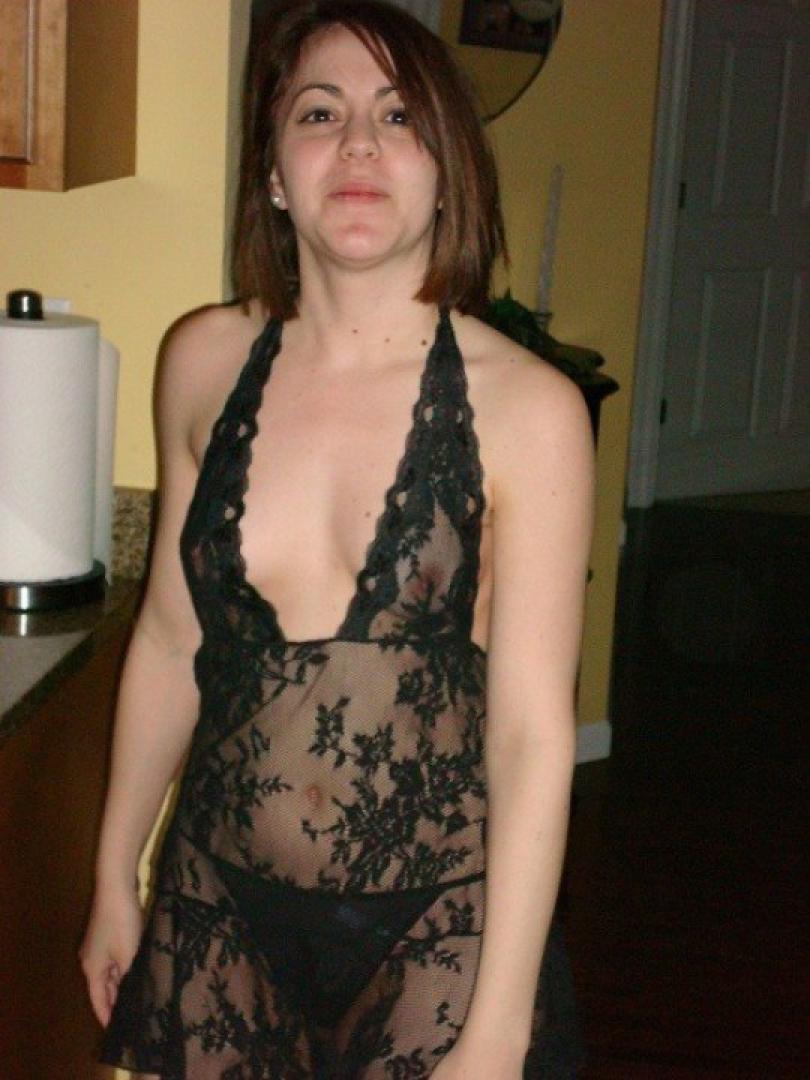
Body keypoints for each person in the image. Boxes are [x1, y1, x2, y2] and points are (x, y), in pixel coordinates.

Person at [79, 1, 594, 1076]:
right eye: (320, 112)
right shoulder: (201, 362)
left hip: (439, 932)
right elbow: (171, 640)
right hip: (217, 904)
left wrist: (497, 1033)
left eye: (398, 116)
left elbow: (533, 737)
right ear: (274, 172)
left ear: (447, 170)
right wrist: (115, 876)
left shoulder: (531, 411)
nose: (358, 142)